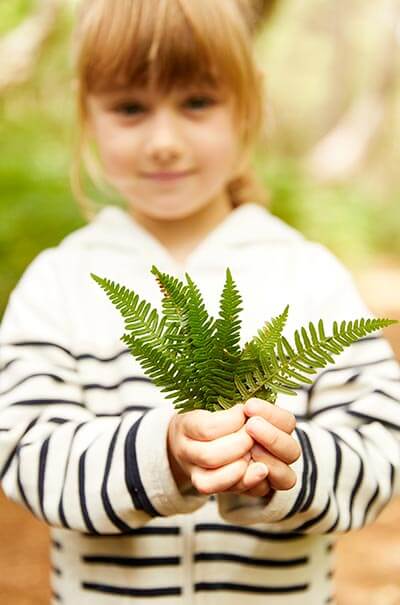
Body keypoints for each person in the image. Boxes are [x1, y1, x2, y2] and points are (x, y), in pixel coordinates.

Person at [0, 0, 399, 603]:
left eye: (197, 103)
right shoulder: (58, 283)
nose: (164, 142)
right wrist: (164, 456)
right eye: (131, 108)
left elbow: (377, 450)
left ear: (248, 107)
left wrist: (286, 468)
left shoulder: (308, 275)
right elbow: (28, 453)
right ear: (88, 114)